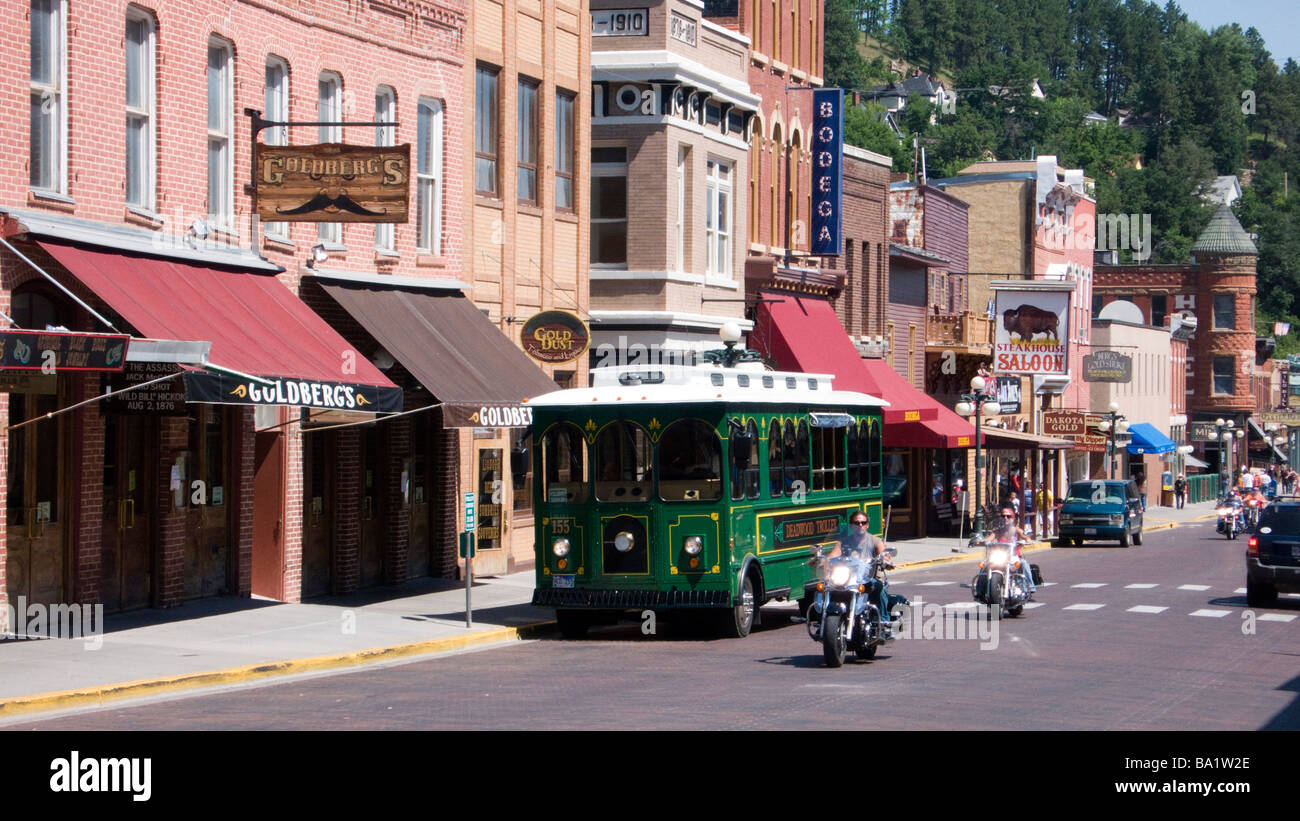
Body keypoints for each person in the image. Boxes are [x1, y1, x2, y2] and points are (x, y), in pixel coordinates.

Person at [819, 513, 896, 632]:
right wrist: (823, 561)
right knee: (826, 588)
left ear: (867, 525)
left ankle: (883, 622)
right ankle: (825, 624)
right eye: (856, 523)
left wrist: (886, 561)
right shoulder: (843, 542)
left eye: (863, 523)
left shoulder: (874, 541)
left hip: (867, 578)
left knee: (879, 587)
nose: (860, 525)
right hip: (847, 578)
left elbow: (884, 554)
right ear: (851, 526)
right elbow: (833, 555)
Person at [976, 504, 1036, 596]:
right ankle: (980, 590)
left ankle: (1029, 587)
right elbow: (990, 537)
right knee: (984, 566)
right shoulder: (998, 530)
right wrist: (981, 541)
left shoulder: (1016, 530)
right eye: (1003, 516)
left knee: (1024, 564)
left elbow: (1024, 535)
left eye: (1008, 516)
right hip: (1000, 556)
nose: (1005, 518)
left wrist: (1027, 539)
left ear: (1013, 518)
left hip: (1013, 557)